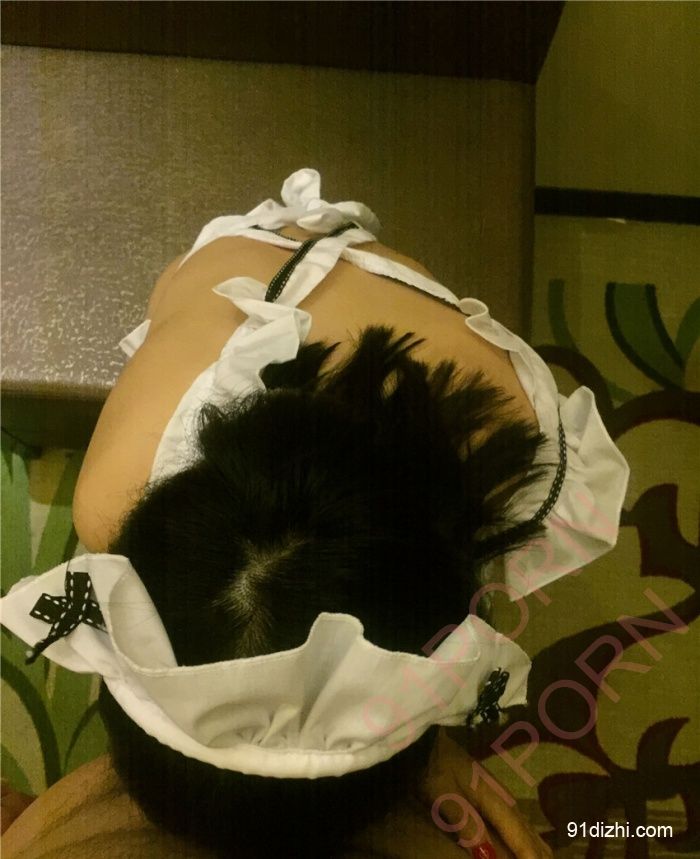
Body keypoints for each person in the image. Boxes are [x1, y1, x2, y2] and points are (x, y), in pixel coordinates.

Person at [0, 169, 630, 858]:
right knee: (178, 291)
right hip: (235, 267)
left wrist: (417, 726)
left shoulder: (512, 454)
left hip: (281, 274)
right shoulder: (112, 494)